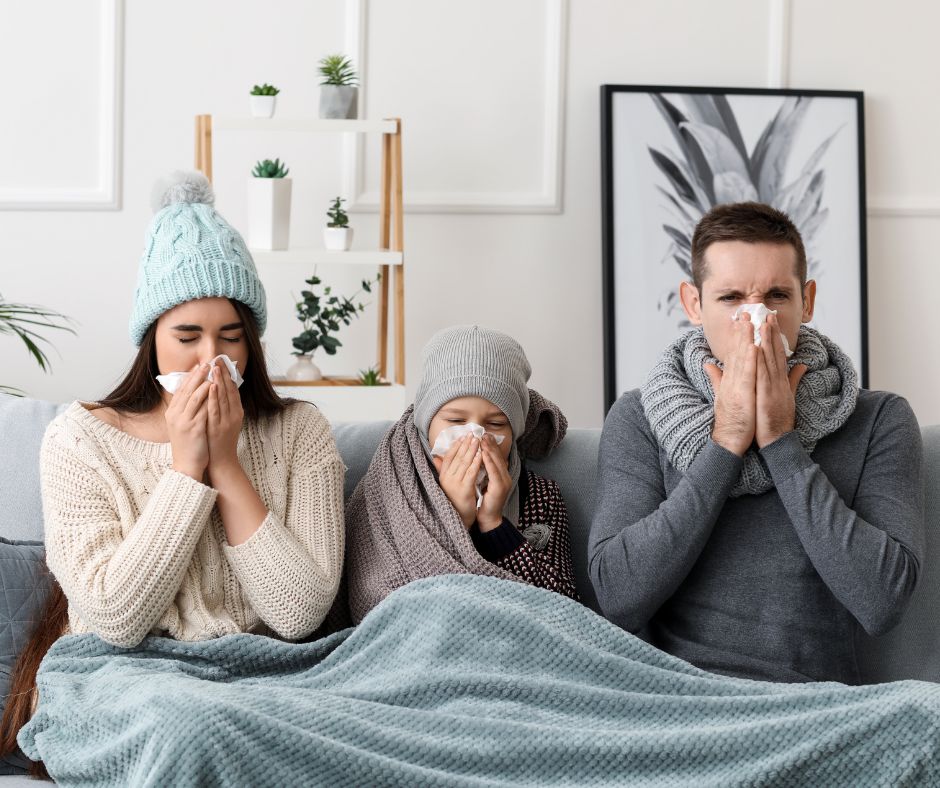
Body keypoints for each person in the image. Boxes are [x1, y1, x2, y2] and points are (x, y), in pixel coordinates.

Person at [1, 171, 345, 775]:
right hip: (121, 680)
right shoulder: (80, 440)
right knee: (192, 722)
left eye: (230, 337)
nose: (209, 357)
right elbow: (116, 618)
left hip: (264, 678)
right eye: (186, 336)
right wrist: (187, 468)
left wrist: (226, 463)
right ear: (151, 341)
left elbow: (298, 612)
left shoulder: (299, 431)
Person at [589, 201, 924, 684]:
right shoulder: (640, 417)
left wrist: (782, 442)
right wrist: (725, 441)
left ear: (806, 301)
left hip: (816, 707)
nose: (756, 320)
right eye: (731, 298)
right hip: (675, 702)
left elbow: (883, 601)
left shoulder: (879, 419)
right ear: (693, 303)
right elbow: (617, 597)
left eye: (775, 296)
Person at [339, 325, 578, 624]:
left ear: (515, 431)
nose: (475, 436)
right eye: (455, 420)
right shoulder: (392, 487)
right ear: (426, 422)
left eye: (495, 424)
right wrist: (456, 520)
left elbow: (564, 609)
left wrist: (494, 525)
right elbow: (374, 603)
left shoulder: (541, 496)